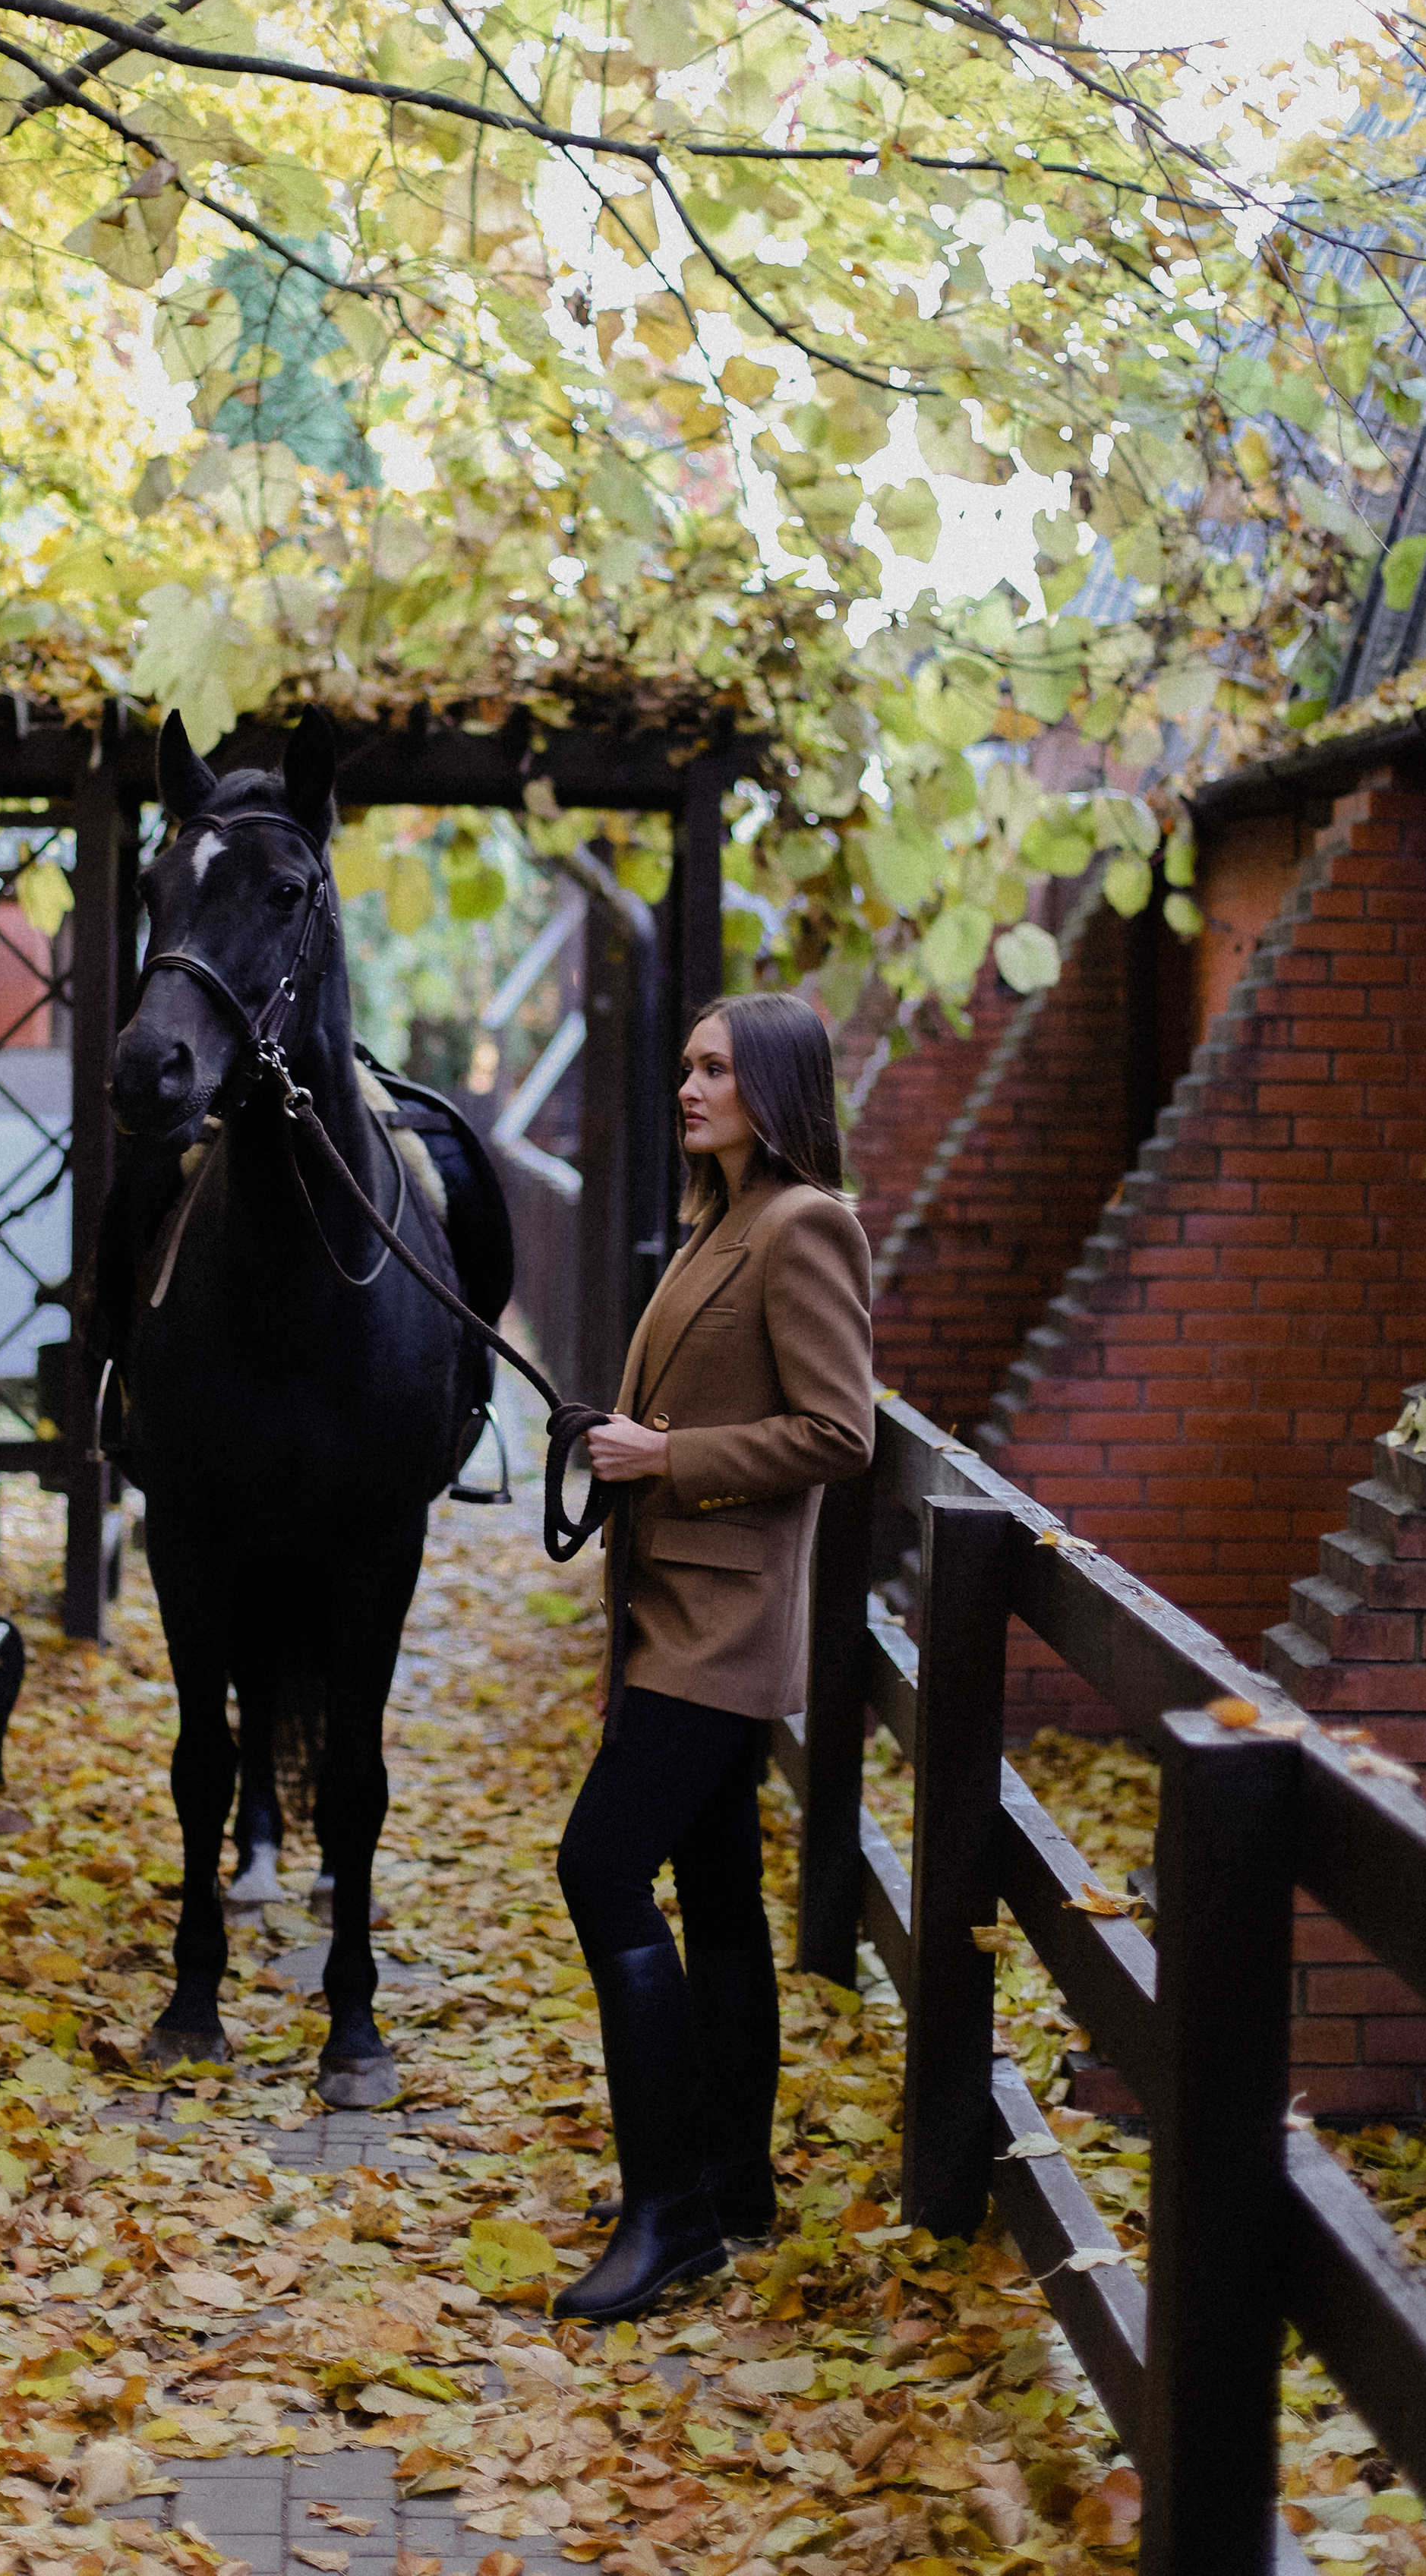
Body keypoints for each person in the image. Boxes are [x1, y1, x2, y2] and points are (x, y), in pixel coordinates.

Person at [551, 990, 875, 2325]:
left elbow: (839, 1433)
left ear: (776, 1088)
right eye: (685, 1065)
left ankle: (668, 2211)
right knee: (722, 1895)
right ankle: (733, 2183)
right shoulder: (714, 1223)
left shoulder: (806, 1228)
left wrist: (666, 1458)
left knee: (600, 1866)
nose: (689, 1088)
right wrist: (624, 1442)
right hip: (674, 1609)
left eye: (716, 1069)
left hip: (720, 1630)